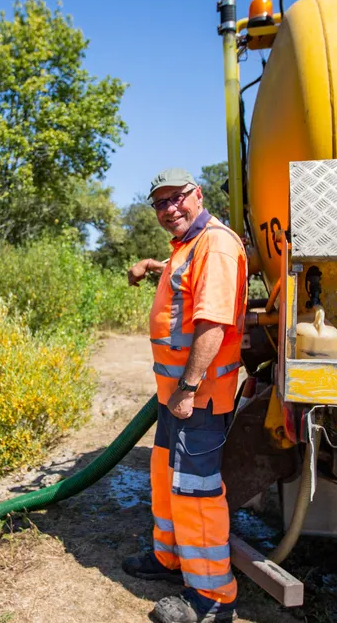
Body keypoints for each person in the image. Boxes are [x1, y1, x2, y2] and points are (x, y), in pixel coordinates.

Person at [124, 168, 247, 623]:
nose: (169, 209)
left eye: (177, 198)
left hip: (198, 398)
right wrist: (151, 267)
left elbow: (212, 324)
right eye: (160, 203)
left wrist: (189, 388)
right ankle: (167, 558)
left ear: (197, 195)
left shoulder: (215, 244)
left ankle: (212, 599)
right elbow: (186, 282)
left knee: (196, 493)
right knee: (165, 474)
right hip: (174, 397)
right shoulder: (189, 246)